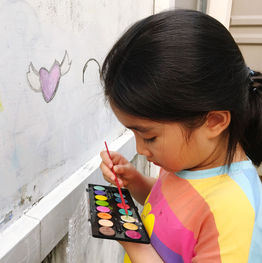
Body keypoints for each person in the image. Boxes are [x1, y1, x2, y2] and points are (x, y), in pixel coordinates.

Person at [99, 9, 262, 263]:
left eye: (149, 137)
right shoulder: (189, 159)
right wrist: (135, 181)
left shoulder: (234, 214)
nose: (141, 149)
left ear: (214, 122)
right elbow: (174, 207)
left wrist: (131, 240)